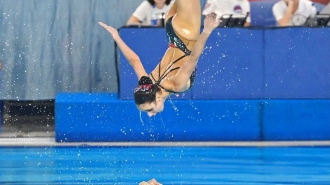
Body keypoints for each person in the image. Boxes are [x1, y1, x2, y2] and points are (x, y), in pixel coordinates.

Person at [99, 0, 220, 117]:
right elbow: (134, 61)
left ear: (157, 98)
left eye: (149, 110)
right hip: (171, 31)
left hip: (187, 31)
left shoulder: (177, 85)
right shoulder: (149, 83)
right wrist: (116, 36)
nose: (150, 114)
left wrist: (207, 31)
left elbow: (193, 57)